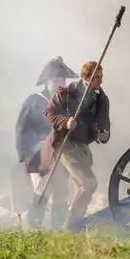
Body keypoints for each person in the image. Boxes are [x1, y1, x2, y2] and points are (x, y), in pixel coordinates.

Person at [37, 60, 111, 228]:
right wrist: (65, 122)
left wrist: (104, 134)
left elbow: (104, 123)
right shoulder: (66, 93)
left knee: (76, 189)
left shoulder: (102, 99)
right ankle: (71, 224)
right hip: (65, 146)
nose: (101, 80)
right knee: (89, 183)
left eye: (101, 76)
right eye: (97, 77)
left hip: (83, 147)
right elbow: (48, 113)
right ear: (87, 78)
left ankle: (68, 225)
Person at [13, 56, 78, 228]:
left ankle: (56, 232)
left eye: (62, 79)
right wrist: (25, 158)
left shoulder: (67, 103)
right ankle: (33, 231)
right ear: (47, 81)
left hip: (61, 156)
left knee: (61, 194)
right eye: (55, 79)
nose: (59, 83)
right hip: (38, 157)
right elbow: (21, 131)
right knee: (41, 193)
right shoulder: (34, 101)